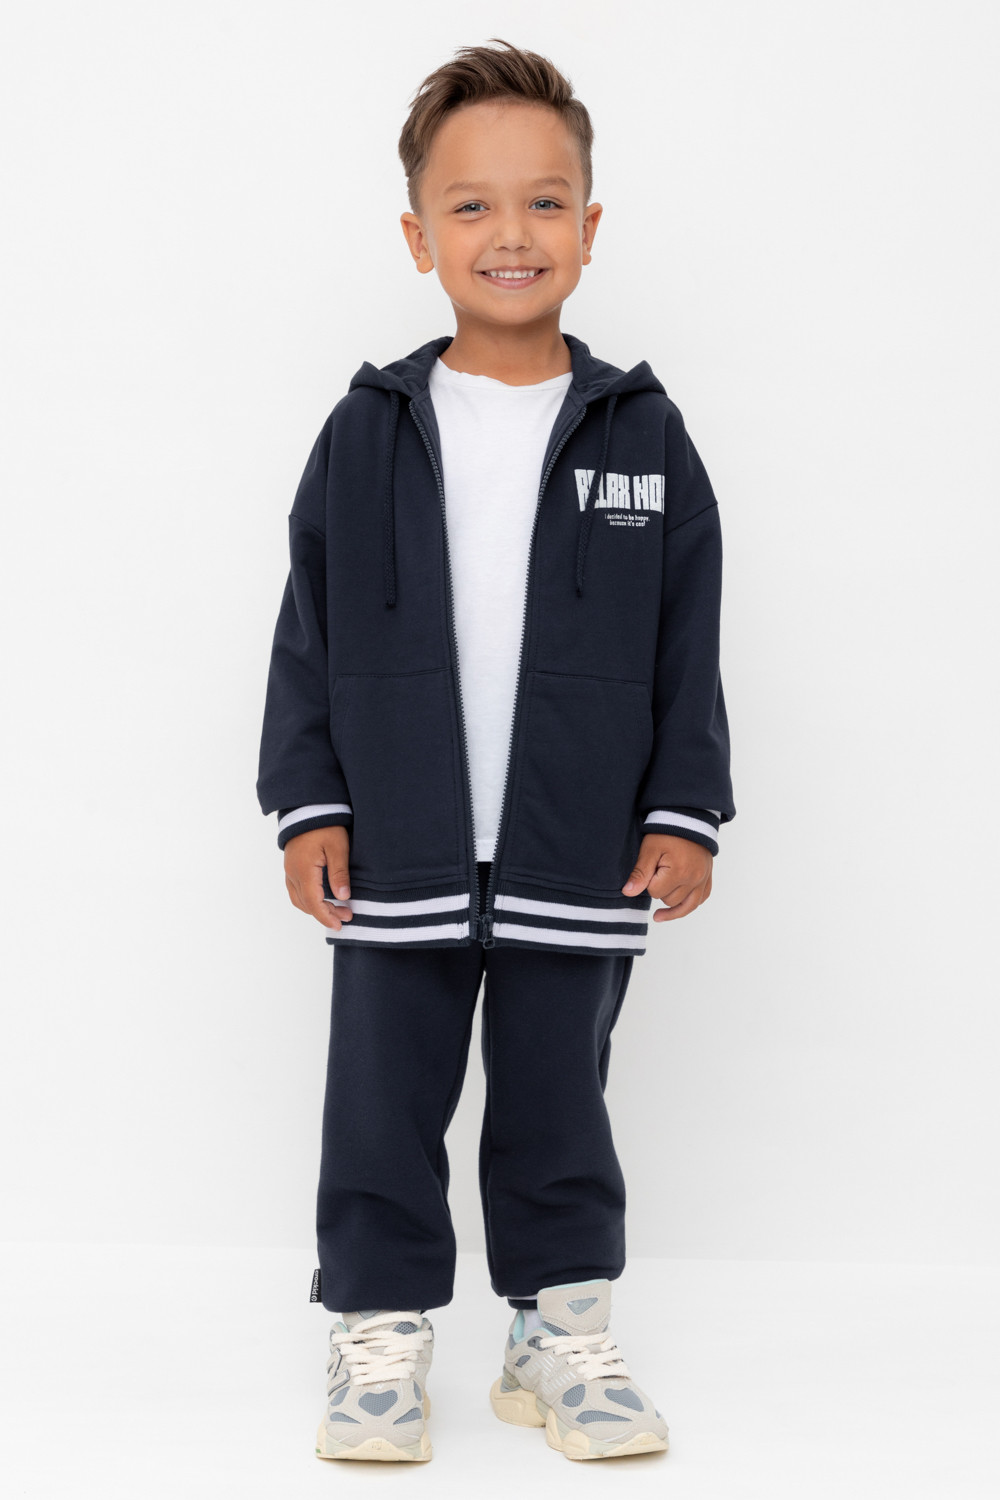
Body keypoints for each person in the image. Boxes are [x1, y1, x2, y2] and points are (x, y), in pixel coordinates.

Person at [255, 37, 735, 1465]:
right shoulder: (366, 431)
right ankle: (378, 1334)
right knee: (379, 1106)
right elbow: (306, 625)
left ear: (589, 226)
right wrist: (308, 800)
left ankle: (558, 1333)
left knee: (557, 1103)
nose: (509, 233)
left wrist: (685, 806)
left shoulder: (644, 433)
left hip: (576, 846)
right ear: (420, 236)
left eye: (543, 202)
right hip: (396, 843)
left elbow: (690, 636)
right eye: (470, 205)